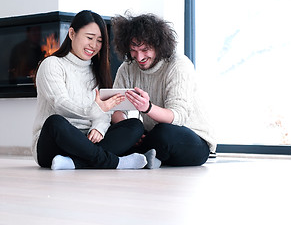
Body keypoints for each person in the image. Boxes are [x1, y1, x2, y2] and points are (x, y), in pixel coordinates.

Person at [32, 10, 152, 170]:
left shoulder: (97, 70)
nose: (93, 45)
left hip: (89, 139)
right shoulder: (52, 64)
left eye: (99, 40)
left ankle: (74, 163)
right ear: (72, 33)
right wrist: (94, 110)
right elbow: (60, 104)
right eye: (89, 38)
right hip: (56, 143)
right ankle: (115, 162)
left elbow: (104, 112)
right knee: (55, 122)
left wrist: (99, 128)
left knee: (135, 126)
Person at [111, 13, 216, 168]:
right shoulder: (127, 68)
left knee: (164, 133)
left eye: (145, 49)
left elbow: (178, 117)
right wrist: (128, 130)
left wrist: (148, 108)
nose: (139, 57)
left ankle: (141, 156)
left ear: (158, 45)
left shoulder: (178, 65)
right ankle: (149, 157)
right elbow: (115, 109)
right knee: (119, 129)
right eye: (133, 50)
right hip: (152, 134)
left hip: (192, 139)